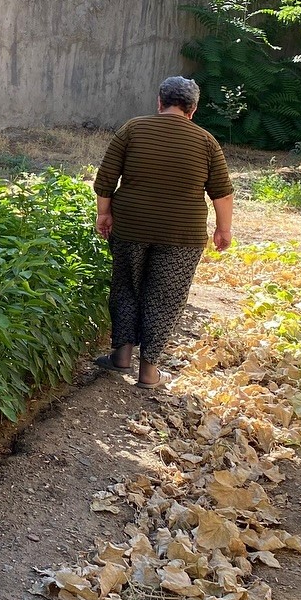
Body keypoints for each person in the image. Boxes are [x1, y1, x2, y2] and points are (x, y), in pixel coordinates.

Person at [92, 76, 234, 389]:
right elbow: (222, 193)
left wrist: (104, 213)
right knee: (166, 297)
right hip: (182, 235)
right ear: (193, 109)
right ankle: (148, 372)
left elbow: (105, 179)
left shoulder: (133, 128)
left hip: (131, 226)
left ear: (159, 102)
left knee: (126, 287)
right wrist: (223, 229)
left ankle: (121, 356)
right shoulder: (206, 142)